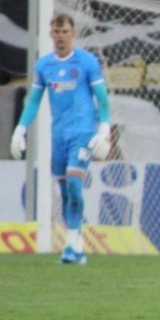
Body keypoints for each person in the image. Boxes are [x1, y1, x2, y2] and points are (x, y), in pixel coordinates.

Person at [9, 13, 112, 265]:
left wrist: (104, 128)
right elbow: (34, 101)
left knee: (75, 185)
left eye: (65, 31)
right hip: (59, 135)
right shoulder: (44, 65)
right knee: (66, 192)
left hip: (83, 133)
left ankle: (71, 246)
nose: (60, 36)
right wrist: (21, 128)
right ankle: (76, 247)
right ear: (50, 34)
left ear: (73, 33)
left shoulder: (87, 62)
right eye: (56, 32)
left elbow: (103, 97)